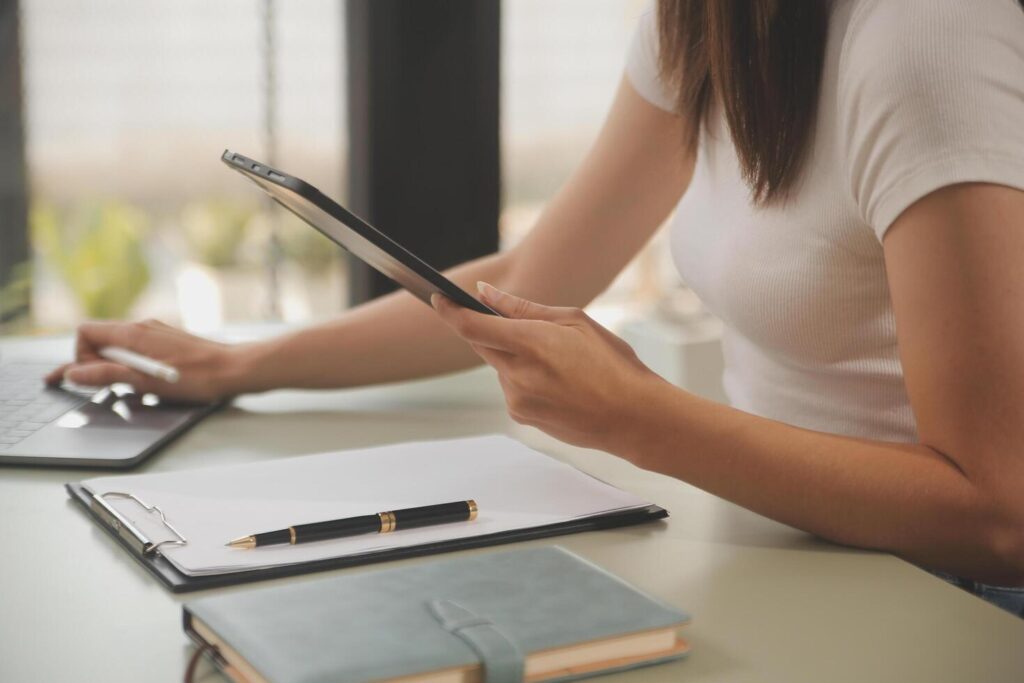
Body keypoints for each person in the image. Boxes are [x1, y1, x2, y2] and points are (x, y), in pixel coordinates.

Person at [47, 0, 1024, 615]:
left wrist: (641, 416)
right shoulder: (702, 20)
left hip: (954, 598)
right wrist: (234, 362)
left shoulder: (927, 39)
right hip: (799, 549)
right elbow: (531, 277)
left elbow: (998, 512)